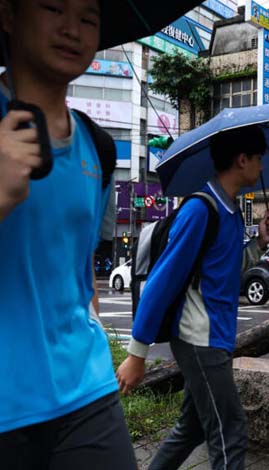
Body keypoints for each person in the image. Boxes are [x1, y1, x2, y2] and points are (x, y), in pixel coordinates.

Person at [0, 1, 136, 469]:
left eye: (89, 17)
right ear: (9, 14)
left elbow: (80, 270)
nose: (72, 29)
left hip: (86, 391)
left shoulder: (97, 148)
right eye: (54, 6)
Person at [116, 124, 269, 470]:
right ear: (242, 159)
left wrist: (260, 243)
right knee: (230, 431)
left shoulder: (231, 213)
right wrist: (137, 353)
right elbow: (163, 281)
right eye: (259, 158)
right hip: (198, 337)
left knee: (191, 428)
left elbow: (225, 270)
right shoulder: (200, 210)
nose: (262, 167)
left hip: (215, 336)